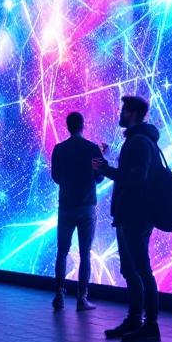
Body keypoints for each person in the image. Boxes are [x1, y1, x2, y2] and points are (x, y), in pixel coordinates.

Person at [93, 95, 163, 342]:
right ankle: (135, 320)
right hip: (130, 214)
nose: (120, 114)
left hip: (136, 215)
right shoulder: (138, 141)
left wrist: (106, 170)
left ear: (132, 113)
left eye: (123, 110)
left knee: (141, 270)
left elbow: (136, 178)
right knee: (131, 270)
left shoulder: (140, 143)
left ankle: (150, 325)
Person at [50, 111, 103, 311]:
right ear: (83, 125)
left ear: (68, 126)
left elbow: (55, 176)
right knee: (85, 254)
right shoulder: (92, 148)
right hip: (87, 206)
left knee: (62, 252)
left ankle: (59, 295)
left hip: (65, 206)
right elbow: (99, 177)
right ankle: (82, 298)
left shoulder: (59, 149)